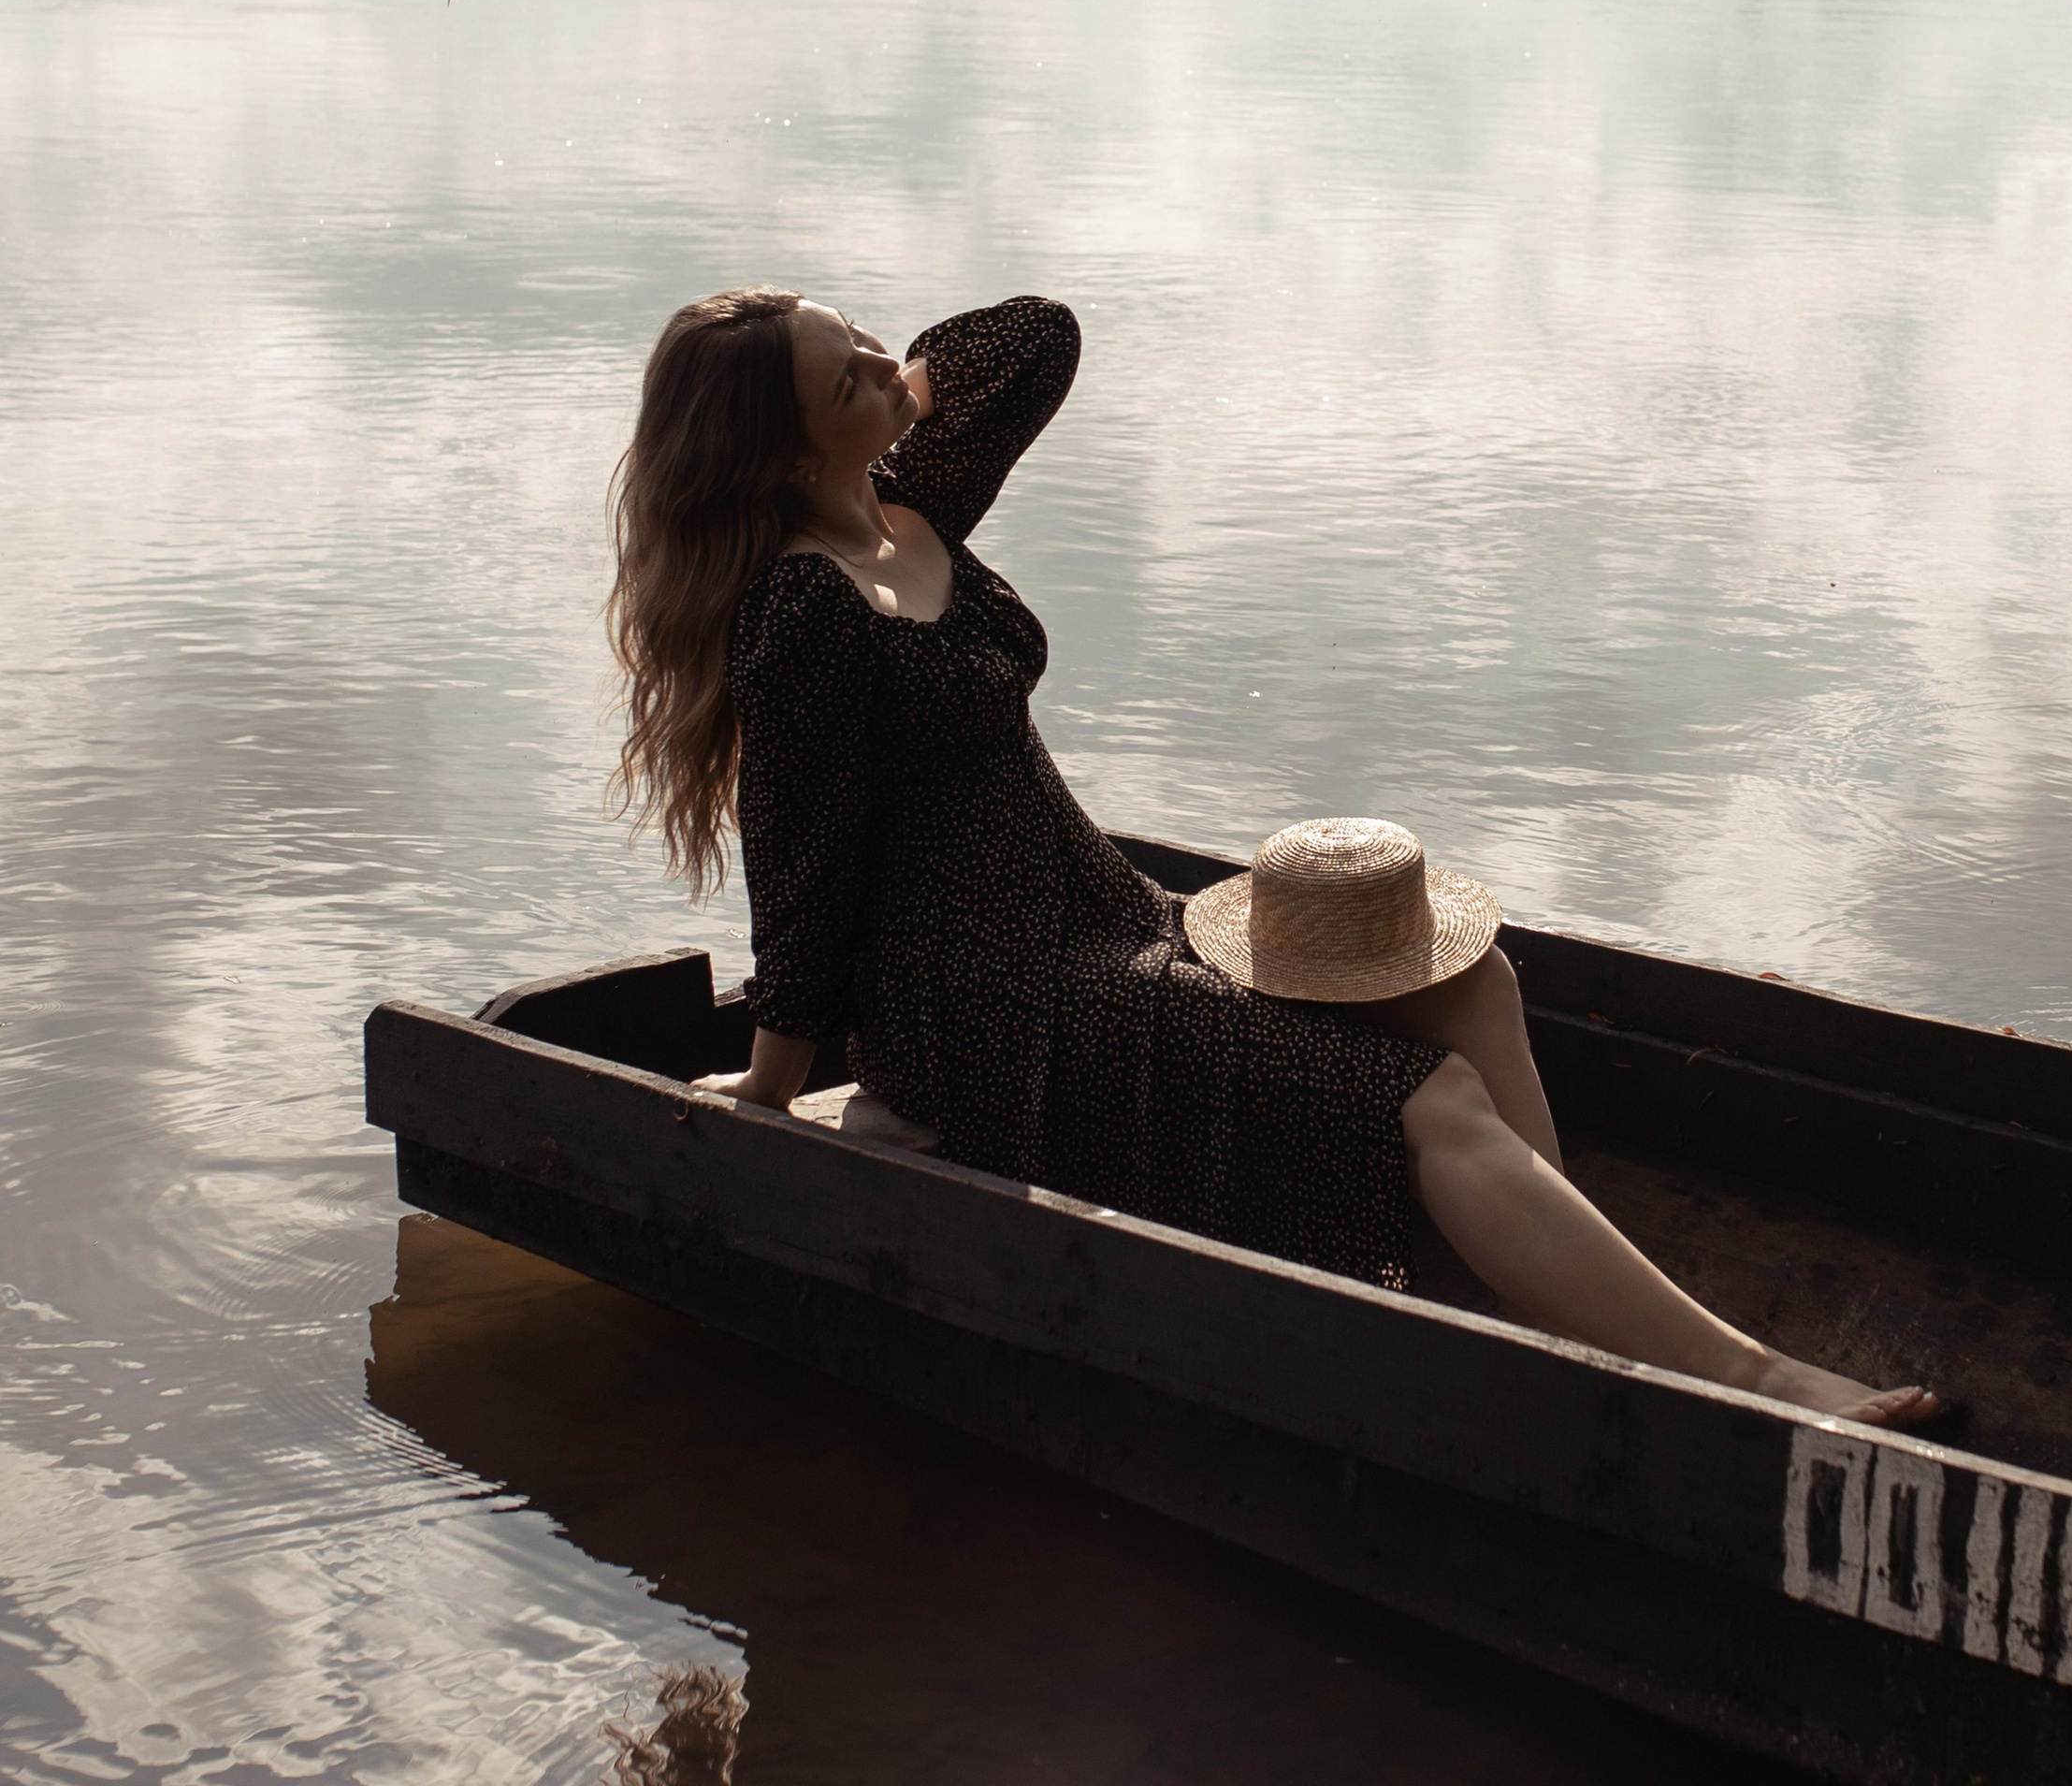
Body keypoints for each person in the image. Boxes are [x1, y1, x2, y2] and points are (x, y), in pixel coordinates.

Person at [606, 290, 1935, 1427]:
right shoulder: (801, 609)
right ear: (780, 451)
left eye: (870, 341)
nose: (883, 370)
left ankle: (1566, 1314)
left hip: (1104, 910)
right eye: (844, 378)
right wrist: (773, 1088)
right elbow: (802, 864)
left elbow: (1037, 340)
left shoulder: (909, 508)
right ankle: (1756, 1384)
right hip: (996, 999)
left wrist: (886, 374)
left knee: (1476, 988)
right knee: (1433, 1100)